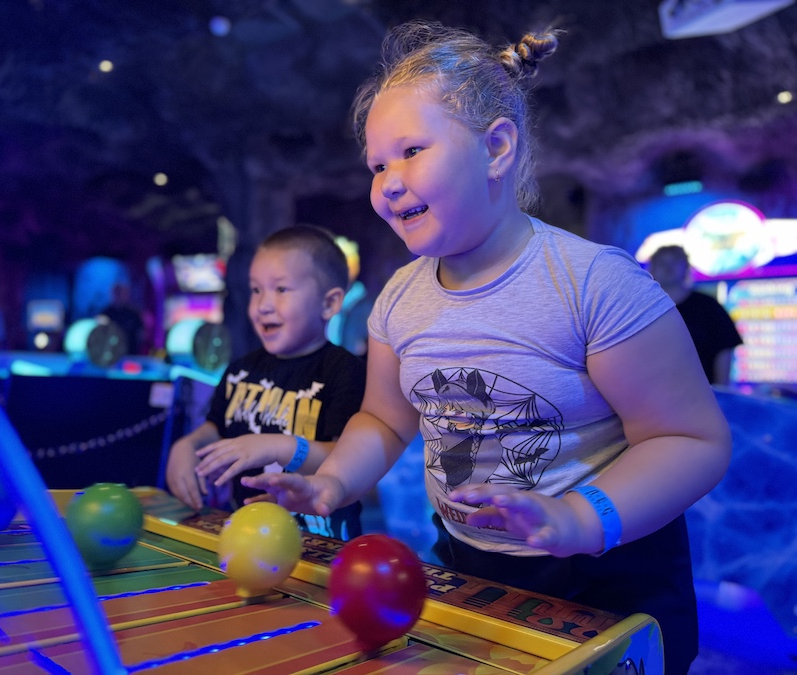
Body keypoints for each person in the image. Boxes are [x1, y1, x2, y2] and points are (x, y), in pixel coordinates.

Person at [242, 21, 731, 674]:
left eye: (411, 151)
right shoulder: (399, 301)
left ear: (496, 147)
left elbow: (692, 440)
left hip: (609, 572)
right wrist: (332, 482)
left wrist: (580, 517)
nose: (388, 182)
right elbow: (384, 420)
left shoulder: (593, 284)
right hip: (473, 565)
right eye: (378, 165)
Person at [165, 225, 365, 541]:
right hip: (246, 536)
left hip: (320, 541)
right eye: (256, 290)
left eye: (281, 289)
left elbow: (350, 460)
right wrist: (187, 446)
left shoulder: (344, 371)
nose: (263, 305)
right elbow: (217, 427)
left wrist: (276, 446)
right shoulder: (240, 370)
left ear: (329, 304)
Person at [649, 245, 743, 385]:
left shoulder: (709, 307)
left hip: (702, 393)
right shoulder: (642, 308)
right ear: (651, 269)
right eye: (662, 263)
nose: (668, 268)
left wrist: (721, 390)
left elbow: (724, 349)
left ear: (686, 267)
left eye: (675, 262)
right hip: (650, 392)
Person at [99, 282, 145, 355]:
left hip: (130, 353)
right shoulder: (105, 313)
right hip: (111, 354)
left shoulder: (134, 314)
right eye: (117, 293)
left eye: (121, 293)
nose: (119, 296)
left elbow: (141, 334)